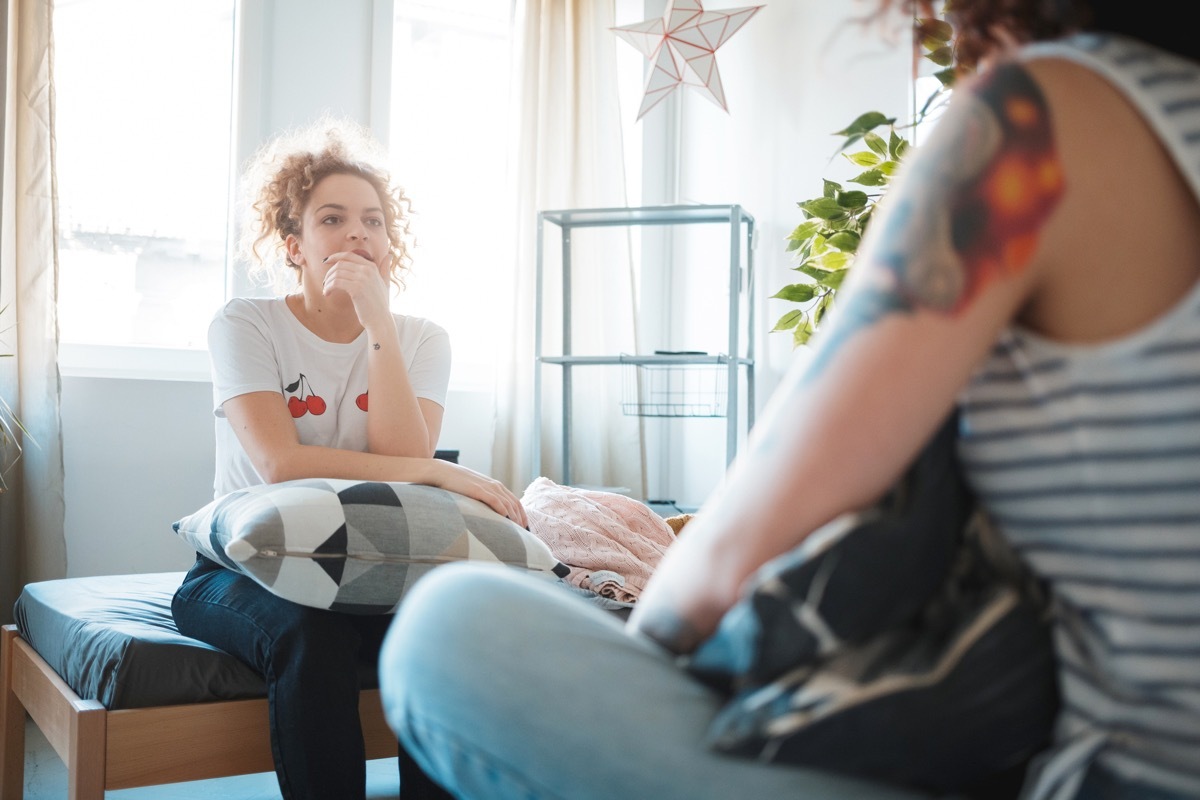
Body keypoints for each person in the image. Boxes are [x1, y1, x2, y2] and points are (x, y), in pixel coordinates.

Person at [376, 1, 1200, 798]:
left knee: (448, 632)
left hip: (1126, 771)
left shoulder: (1036, 118)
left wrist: (635, 652)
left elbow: (725, 561)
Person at [171, 117, 525, 800]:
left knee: (444, 633)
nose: (357, 233)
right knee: (314, 633)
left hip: (375, 567)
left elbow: (402, 454)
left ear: (392, 245)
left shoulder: (422, 339)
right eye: (332, 219)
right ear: (293, 244)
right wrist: (434, 471)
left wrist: (377, 324)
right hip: (243, 572)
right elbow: (282, 463)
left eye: (373, 221)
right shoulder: (244, 324)